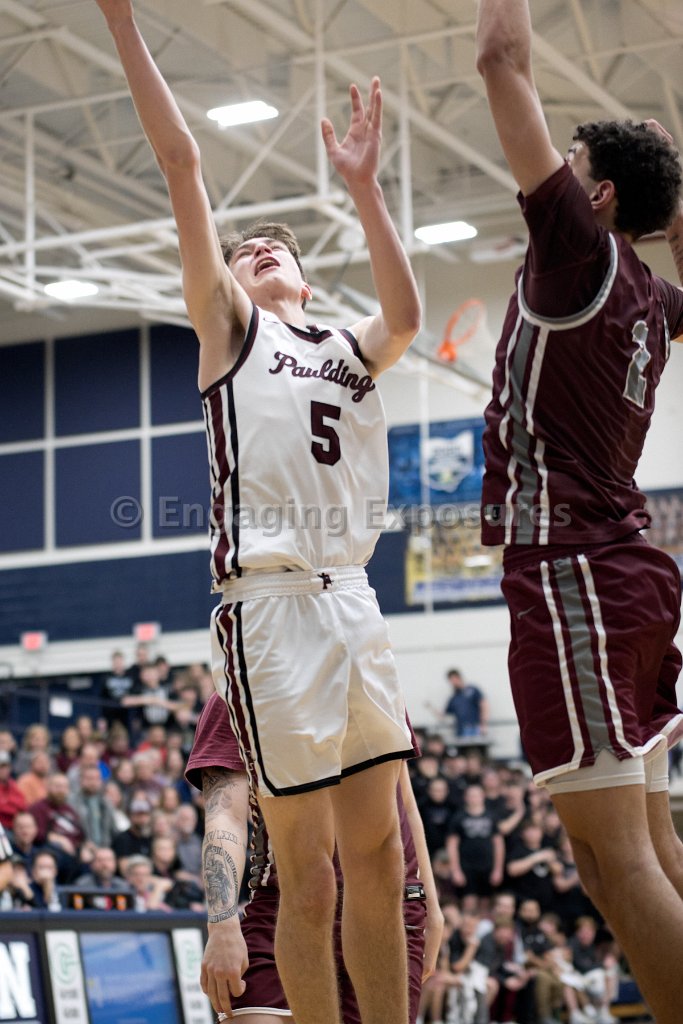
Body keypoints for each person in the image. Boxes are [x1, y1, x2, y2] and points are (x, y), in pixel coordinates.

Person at [94, 3, 421, 1022]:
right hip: (270, 606)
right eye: (249, 251)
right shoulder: (231, 331)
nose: (265, 249)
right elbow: (182, 161)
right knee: (310, 872)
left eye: (280, 246)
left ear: (308, 279)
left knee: (377, 861)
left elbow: (406, 314)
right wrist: (122, 24)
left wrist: (364, 191)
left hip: (353, 598)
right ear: (228, 284)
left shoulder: (344, 346)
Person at [475, 1, 683, 1020]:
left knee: (620, 863)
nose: (551, 169)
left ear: (593, 196)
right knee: (626, 862)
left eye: (570, 162)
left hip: (575, 574)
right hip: (618, 572)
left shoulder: (578, 253)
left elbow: (498, 57)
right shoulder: (651, 294)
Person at [185, 691, 443, 1022]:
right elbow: (226, 814)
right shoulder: (236, 689)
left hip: (387, 903)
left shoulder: (372, 676)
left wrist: (431, 904)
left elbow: (403, 799)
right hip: (284, 904)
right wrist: (222, 923)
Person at [443, 669, 489, 736]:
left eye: (453, 679)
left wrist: (483, 724)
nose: (452, 683)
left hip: (474, 727)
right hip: (461, 730)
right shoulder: (454, 697)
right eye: (450, 681)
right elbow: (445, 714)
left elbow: (484, 705)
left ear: (458, 677)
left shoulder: (472, 690)